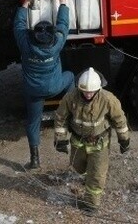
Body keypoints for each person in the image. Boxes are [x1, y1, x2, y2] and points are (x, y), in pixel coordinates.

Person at [54, 67, 130, 213]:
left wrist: (124, 140)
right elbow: (60, 118)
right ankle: (87, 177)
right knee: (78, 167)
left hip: (99, 144)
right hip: (78, 141)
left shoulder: (108, 99)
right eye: (85, 91)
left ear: (98, 88)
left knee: (96, 174)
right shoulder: (70, 98)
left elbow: (119, 120)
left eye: (92, 91)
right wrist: (61, 139)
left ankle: (91, 204)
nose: (88, 94)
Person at [13, 0, 74, 170]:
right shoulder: (56, 44)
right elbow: (64, 24)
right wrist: (62, 0)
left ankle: (35, 160)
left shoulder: (26, 44)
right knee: (71, 76)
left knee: (33, 122)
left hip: (33, 91)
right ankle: (70, 107)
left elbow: (19, 25)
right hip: (55, 86)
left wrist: (25, 3)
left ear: (34, 35)